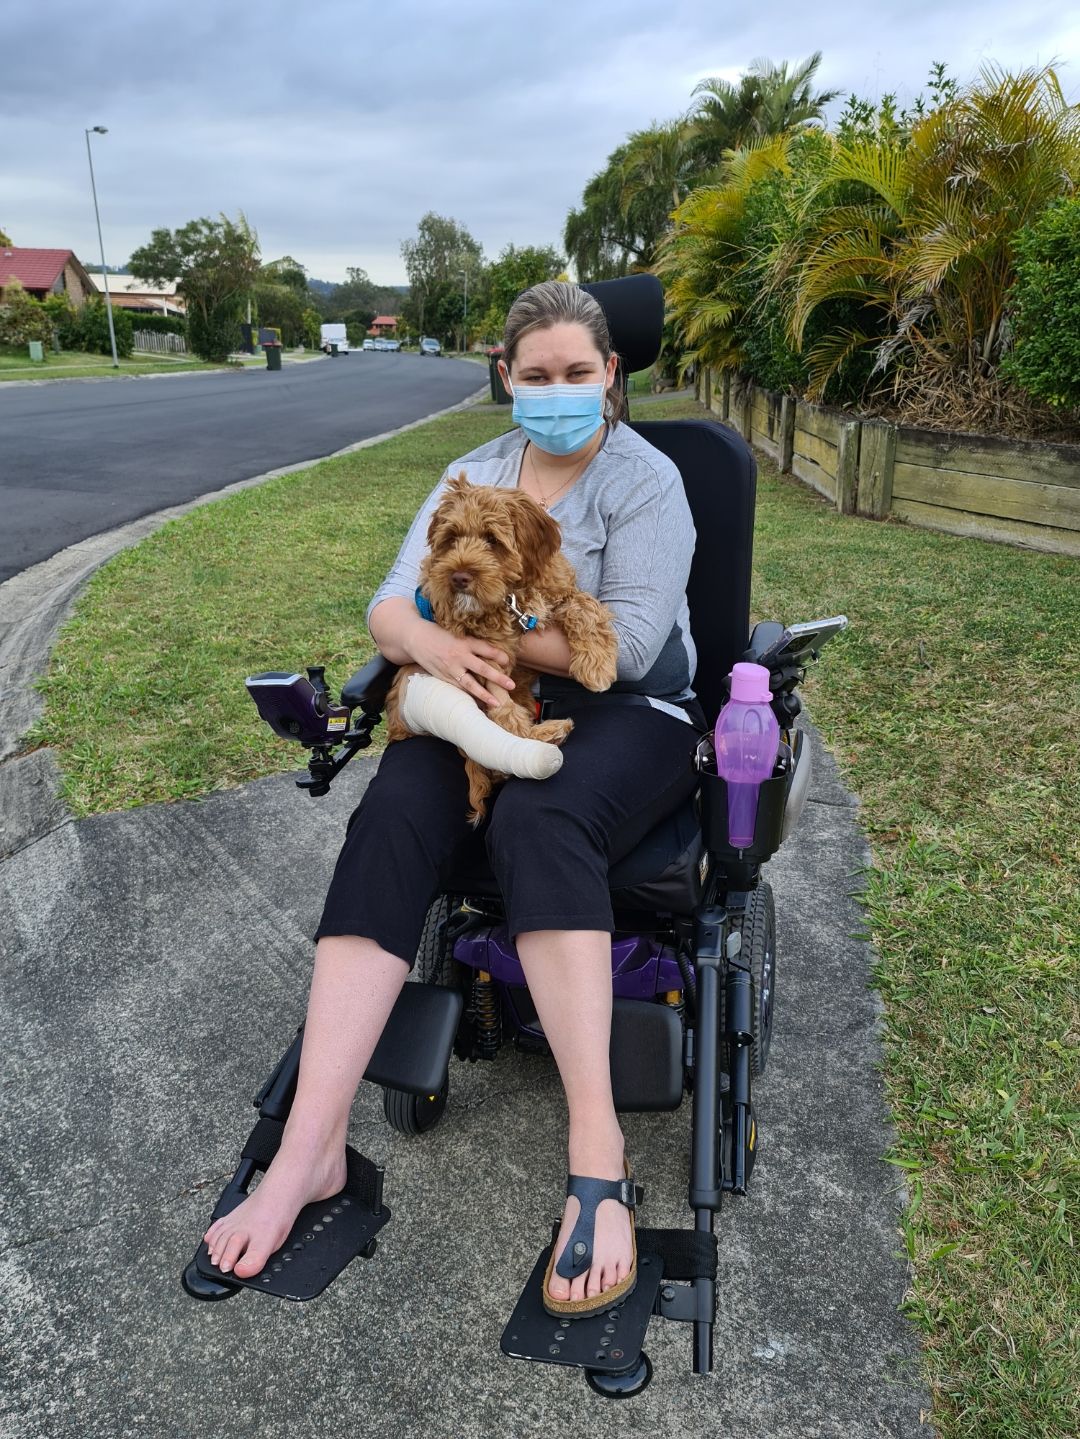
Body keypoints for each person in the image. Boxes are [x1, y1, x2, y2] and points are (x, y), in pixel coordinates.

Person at [204, 280, 702, 1315]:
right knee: (391, 812)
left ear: (610, 376)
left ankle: (597, 1160)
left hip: (631, 710)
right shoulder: (469, 471)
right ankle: (310, 1153)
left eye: (578, 373)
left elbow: (637, 652)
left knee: (540, 811)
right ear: (507, 378)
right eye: (536, 374)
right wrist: (432, 641)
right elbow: (392, 602)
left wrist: (486, 635)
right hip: (479, 690)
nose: (559, 389)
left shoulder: (647, 482)